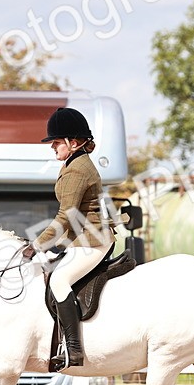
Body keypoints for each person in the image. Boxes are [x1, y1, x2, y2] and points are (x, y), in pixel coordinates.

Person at [22, 107, 114, 370]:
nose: (52, 146)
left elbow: (65, 216)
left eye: (56, 142)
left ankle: (74, 349)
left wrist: (37, 245)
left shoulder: (77, 170)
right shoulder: (73, 163)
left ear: (74, 143)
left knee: (60, 281)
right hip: (81, 238)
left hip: (93, 239)